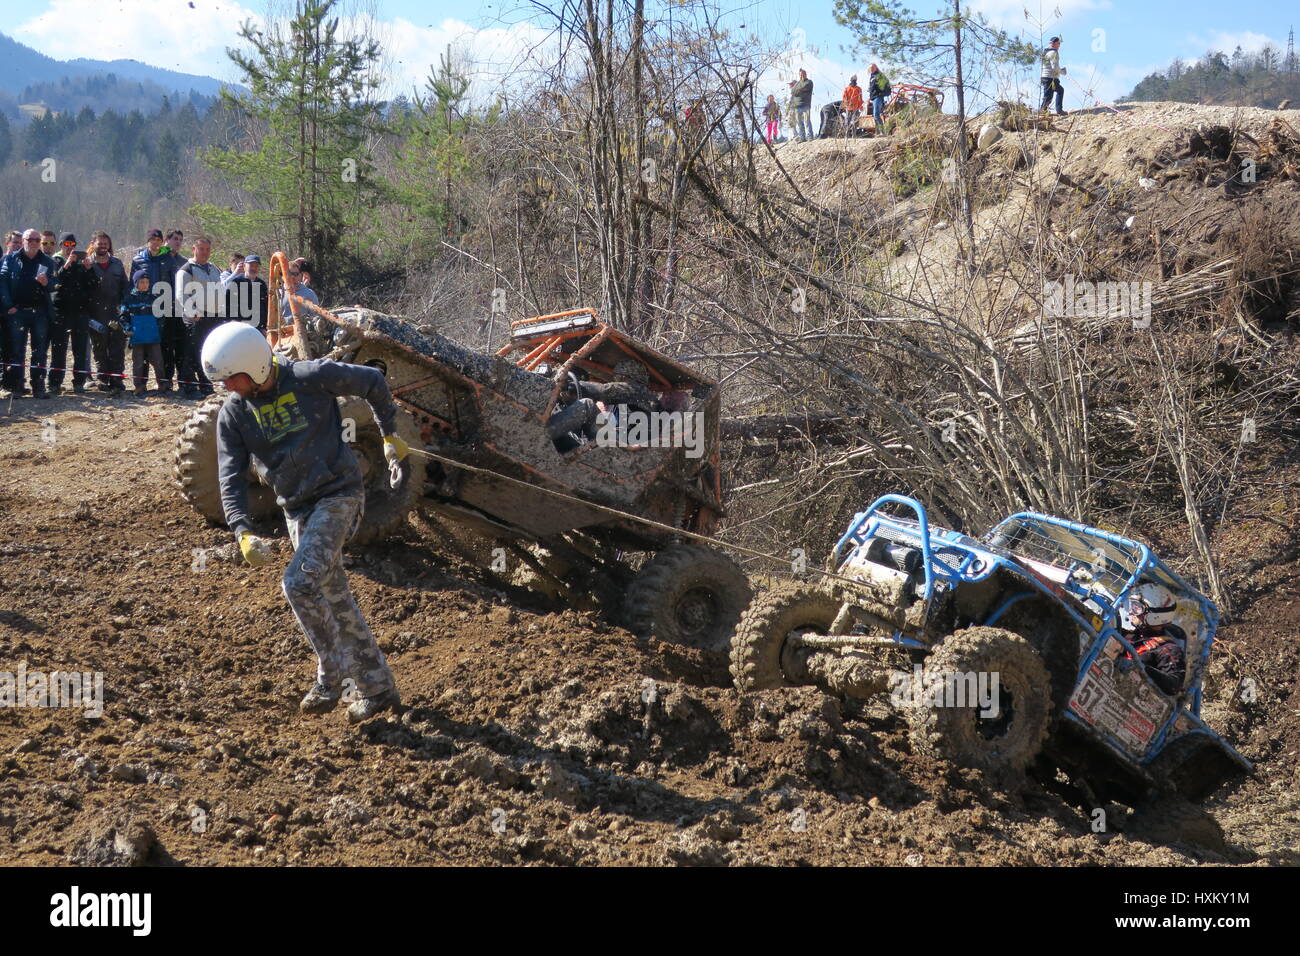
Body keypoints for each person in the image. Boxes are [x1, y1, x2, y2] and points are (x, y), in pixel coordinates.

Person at [203, 322, 407, 722]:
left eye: (234, 379)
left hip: (340, 495)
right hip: (296, 509)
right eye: (224, 382)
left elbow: (372, 382)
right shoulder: (234, 415)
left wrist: (389, 435)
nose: (230, 388)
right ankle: (378, 689)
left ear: (256, 366)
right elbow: (229, 475)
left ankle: (330, 676)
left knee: (298, 582)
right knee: (333, 596)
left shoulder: (311, 377)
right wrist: (241, 530)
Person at [547, 359, 659, 451]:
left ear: (628, 378)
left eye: (619, 378)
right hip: (620, 446)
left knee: (587, 406)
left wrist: (567, 385)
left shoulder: (638, 391)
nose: (617, 381)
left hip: (621, 449)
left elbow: (602, 390)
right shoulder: (638, 401)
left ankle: (542, 433)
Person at [0, 229, 59, 398]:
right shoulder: (11, 259)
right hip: (17, 311)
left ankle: (38, 386)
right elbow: (2, 282)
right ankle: (17, 386)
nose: (33, 243)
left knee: (39, 350)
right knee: (17, 350)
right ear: (23, 241)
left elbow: (55, 284)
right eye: (30, 239)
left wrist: (47, 282)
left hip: (40, 312)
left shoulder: (47, 261)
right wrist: (8, 305)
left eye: (36, 240)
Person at [175, 235, 226, 398]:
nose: (205, 252)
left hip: (213, 316)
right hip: (195, 317)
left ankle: (205, 385)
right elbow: (181, 295)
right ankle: (187, 387)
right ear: (194, 249)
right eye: (201, 249)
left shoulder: (214, 268)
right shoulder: (186, 270)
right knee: (191, 353)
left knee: (207, 352)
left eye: (207, 249)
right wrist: (194, 313)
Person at [1118, 581, 1187, 696]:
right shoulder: (1130, 635)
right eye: (1132, 606)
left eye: (1137, 608)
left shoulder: (1168, 649)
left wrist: (1137, 668)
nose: (1130, 612)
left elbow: (1174, 685)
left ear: (1155, 615)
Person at [47, 247, 99, 394]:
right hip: (61, 311)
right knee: (59, 349)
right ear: (62, 245)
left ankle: (79, 383)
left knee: (80, 349)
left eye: (73, 244)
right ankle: (54, 383)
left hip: (80, 312)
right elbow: (55, 281)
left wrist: (89, 268)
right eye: (67, 244)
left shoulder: (82, 266)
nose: (70, 247)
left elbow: (93, 285)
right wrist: (67, 264)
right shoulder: (56, 261)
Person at [87, 233, 130, 393]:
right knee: (99, 348)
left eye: (106, 243)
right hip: (95, 313)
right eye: (100, 243)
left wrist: (125, 307)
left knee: (117, 348)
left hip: (115, 312)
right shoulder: (88, 263)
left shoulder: (117, 263)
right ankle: (102, 379)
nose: (103, 246)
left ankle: (117, 380)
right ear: (93, 244)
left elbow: (125, 287)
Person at [120, 270, 165, 397]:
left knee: (158, 361)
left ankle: (162, 384)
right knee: (138, 362)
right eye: (141, 282)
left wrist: (158, 327)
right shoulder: (129, 299)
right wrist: (128, 328)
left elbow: (161, 316)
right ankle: (139, 386)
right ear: (135, 283)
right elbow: (123, 316)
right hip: (137, 336)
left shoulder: (154, 298)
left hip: (153, 335)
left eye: (147, 282)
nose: (145, 285)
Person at [159, 231, 188, 393]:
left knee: (181, 347)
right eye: (175, 239)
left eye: (180, 240)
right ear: (166, 240)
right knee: (165, 348)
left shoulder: (184, 262)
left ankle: (183, 381)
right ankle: (166, 380)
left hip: (180, 309)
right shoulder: (158, 259)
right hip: (162, 309)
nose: (178, 242)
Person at [225, 254, 269, 330]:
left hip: (258, 329)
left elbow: (265, 307)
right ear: (244, 266)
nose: (254, 268)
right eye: (251, 265)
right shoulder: (236, 283)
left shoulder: (262, 284)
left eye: (256, 266)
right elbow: (227, 306)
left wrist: (264, 327)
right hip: (239, 328)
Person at [1040, 36, 1067, 116]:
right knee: (1049, 96)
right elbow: (1054, 67)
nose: (1059, 45)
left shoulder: (1046, 52)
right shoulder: (1053, 53)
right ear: (1054, 44)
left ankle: (1045, 111)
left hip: (1046, 76)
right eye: (1058, 43)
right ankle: (1043, 112)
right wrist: (1062, 71)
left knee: (1054, 93)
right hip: (1050, 78)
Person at [790, 70, 814, 142]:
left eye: (803, 74)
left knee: (807, 121)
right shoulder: (797, 83)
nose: (802, 75)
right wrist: (799, 90)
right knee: (799, 123)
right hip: (797, 106)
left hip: (806, 105)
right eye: (800, 74)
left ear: (806, 74)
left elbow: (805, 87)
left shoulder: (809, 82)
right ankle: (802, 137)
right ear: (799, 75)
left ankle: (810, 137)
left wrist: (798, 91)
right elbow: (792, 91)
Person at [868, 64, 891, 132]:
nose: (871, 69)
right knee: (875, 115)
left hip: (878, 97)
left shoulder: (879, 75)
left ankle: (882, 131)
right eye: (870, 68)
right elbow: (872, 88)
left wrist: (882, 93)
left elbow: (885, 84)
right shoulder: (872, 77)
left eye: (872, 67)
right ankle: (877, 132)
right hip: (874, 97)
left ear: (876, 67)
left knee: (876, 114)